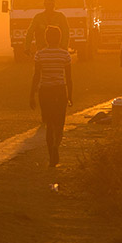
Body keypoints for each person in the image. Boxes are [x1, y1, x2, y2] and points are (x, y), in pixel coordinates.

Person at [29, 25, 73, 167]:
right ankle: (56, 146)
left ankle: (50, 153)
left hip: (45, 91)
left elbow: (36, 76)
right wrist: (70, 96)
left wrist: (31, 94)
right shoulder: (65, 55)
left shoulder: (40, 54)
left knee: (49, 124)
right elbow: (69, 78)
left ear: (46, 38)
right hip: (60, 90)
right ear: (59, 38)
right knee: (59, 124)